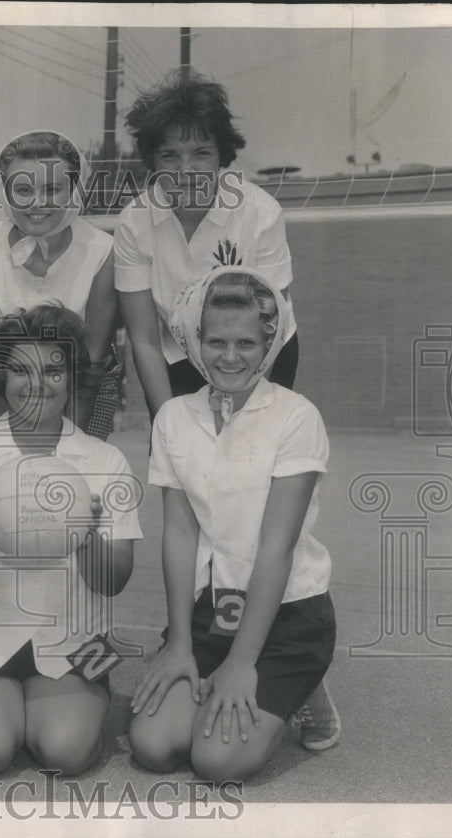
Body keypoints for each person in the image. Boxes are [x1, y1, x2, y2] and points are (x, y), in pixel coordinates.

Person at [129, 268, 336, 782]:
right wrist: (179, 644)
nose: (229, 356)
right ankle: (218, 672)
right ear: (194, 341)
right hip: (211, 613)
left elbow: (275, 550)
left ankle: (304, 685)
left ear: (269, 343)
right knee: (155, 747)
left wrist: (243, 663)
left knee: (217, 762)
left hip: (288, 616)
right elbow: (178, 534)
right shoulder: (174, 417)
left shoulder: (296, 416)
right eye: (215, 340)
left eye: (247, 342)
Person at [0, 303, 142, 776]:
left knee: (67, 754)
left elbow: (114, 583)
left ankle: (35, 710)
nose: (37, 384)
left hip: (73, 637)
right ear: (2, 379)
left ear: (72, 379)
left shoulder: (104, 462)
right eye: (21, 370)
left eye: (53, 370)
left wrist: (85, 536)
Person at [115, 68, 299, 419]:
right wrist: (169, 423)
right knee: (177, 452)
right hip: (178, 354)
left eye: (201, 153)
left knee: (246, 453)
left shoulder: (261, 213)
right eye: (169, 156)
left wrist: (242, 421)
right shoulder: (133, 222)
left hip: (259, 348)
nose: (186, 170)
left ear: (221, 155)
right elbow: (145, 340)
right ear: (151, 161)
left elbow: (268, 327)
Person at [0, 131, 121, 438]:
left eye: (52, 189)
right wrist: (8, 444)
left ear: (74, 190)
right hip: (4, 392)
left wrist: (70, 445)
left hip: (84, 392)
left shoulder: (102, 250)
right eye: (23, 189)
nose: (37, 203)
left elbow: (95, 361)